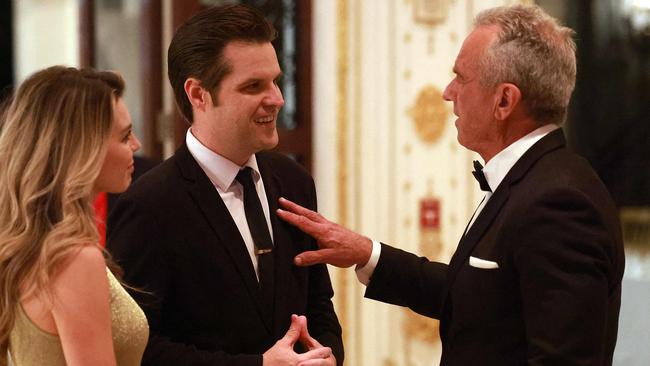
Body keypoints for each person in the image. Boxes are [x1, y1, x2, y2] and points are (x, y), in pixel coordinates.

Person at [277, 4, 624, 366]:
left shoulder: (560, 202)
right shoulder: (535, 180)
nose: (447, 91)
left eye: (461, 77)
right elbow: (478, 298)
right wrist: (367, 254)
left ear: (504, 100)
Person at [106, 4, 343, 366]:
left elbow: (319, 307)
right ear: (198, 94)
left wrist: (327, 357)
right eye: (254, 86)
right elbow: (139, 347)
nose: (277, 98)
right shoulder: (148, 204)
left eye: (276, 81)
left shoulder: (293, 181)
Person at [0, 66, 148, 366]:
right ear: (83, 149)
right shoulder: (74, 258)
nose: (137, 145)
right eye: (125, 136)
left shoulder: (35, 246)